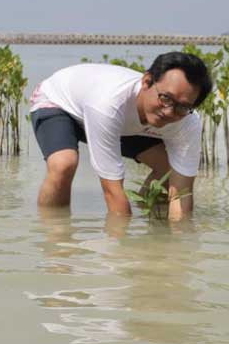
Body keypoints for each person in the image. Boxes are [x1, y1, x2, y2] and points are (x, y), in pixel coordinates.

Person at [31, 52, 212, 219]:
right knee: (64, 164)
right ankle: (54, 234)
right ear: (147, 81)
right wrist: (121, 249)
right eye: (165, 98)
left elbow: (182, 194)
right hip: (59, 103)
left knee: (168, 170)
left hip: (123, 122)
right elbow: (113, 193)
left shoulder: (187, 122)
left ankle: (148, 219)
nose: (168, 112)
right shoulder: (109, 103)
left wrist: (179, 246)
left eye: (181, 107)